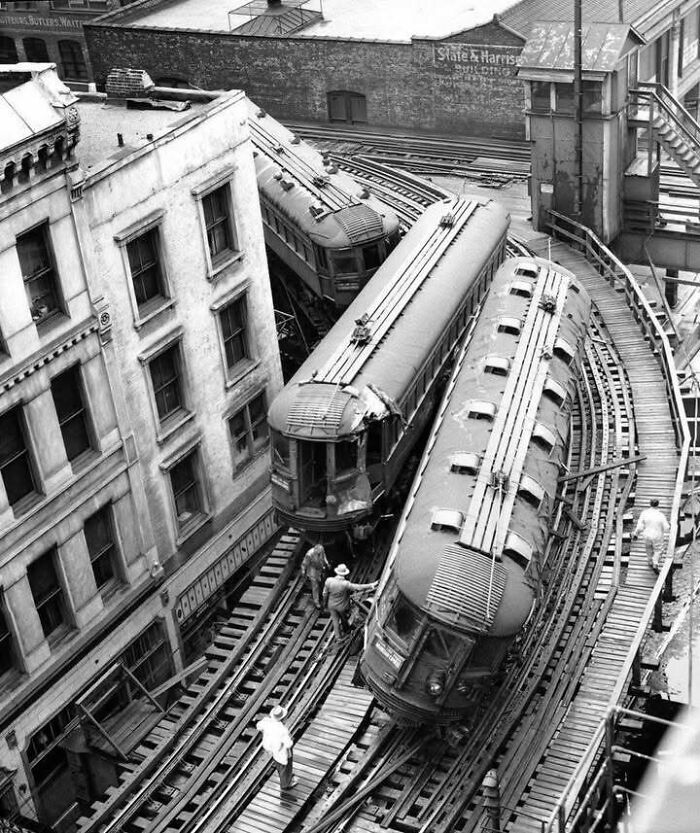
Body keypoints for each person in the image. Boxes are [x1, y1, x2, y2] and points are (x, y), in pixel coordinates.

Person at [322, 563, 378, 641]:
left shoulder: (329, 581)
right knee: (344, 619)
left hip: (331, 605)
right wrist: (371, 585)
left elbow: (324, 593)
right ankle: (347, 630)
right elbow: (358, 587)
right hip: (342, 606)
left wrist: (324, 603)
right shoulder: (345, 584)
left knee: (335, 621)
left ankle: (338, 638)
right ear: (345, 574)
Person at [256, 705, 298, 793]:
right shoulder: (282, 729)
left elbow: (258, 726)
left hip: (273, 748)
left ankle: (286, 777)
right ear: (282, 718)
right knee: (285, 766)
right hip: (282, 751)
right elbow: (289, 744)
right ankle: (285, 785)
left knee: (279, 766)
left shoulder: (267, 722)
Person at [633, 499, 670, 572]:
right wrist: (669, 526)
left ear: (650, 504)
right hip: (657, 535)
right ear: (658, 505)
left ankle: (650, 561)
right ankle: (655, 563)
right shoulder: (661, 515)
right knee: (658, 549)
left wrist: (636, 533)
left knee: (648, 548)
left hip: (647, 534)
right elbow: (666, 528)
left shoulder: (644, 513)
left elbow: (640, 525)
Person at [301, 543, 330, 609]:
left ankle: (324, 596)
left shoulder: (321, 551)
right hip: (313, 571)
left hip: (321, 569)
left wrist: (327, 563)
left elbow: (324, 556)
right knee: (315, 586)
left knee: (323, 582)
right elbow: (304, 563)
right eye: (319, 553)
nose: (320, 553)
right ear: (315, 550)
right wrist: (303, 571)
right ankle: (316, 602)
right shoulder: (309, 554)